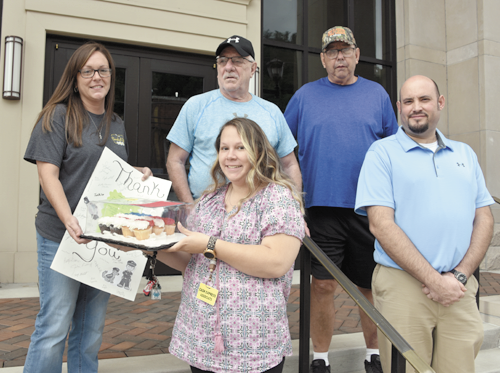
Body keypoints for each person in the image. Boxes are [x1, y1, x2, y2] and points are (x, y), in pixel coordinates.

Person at [23, 41, 151, 373]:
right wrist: (69, 220)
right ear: (75, 76)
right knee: (54, 327)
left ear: (111, 75)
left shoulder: (116, 123)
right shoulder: (58, 116)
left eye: (103, 70)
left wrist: (137, 173)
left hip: (103, 240)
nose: (97, 76)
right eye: (89, 70)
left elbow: (105, 172)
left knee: (90, 330)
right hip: (60, 236)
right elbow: (47, 173)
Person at [355, 75, 494, 373]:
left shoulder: (465, 154)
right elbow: (381, 225)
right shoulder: (381, 154)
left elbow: (484, 217)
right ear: (399, 108)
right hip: (403, 284)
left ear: (440, 103)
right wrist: (434, 280)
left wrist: (459, 276)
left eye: (424, 99)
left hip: (458, 286)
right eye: (408, 101)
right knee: (408, 369)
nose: (416, 107)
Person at [284, 26, 398, 373]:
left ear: (357, 54)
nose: (339, 58)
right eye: (332, 52)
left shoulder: (377, 94)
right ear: (322, 59)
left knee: (369, 286)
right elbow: (282, 151)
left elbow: (394, 150)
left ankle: (373, 353)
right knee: (322, 285)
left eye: (345, 51)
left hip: (368, 208)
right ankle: (320, 358)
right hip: (320, 207)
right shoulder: (304, 97)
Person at [155, 117, 304, 372]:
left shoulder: (277, 198)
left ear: (258, 152)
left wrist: (210, 244)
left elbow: (276, 263)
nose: (230, 156)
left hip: (253, 344)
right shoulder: (209, 200)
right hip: (203, 338)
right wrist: (150, 247)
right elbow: (191, 261)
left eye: (240, 147)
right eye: (224, 148)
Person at [166, 35, 302, 203]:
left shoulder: (272, 112)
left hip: (261, 216)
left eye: (237, 61)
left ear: (253, 69)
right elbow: (175, 160)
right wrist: (189, 208)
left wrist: (295, 211)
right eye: (223, 61)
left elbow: (289, 165)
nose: (228, 67)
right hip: (206, 215)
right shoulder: (196, 106)